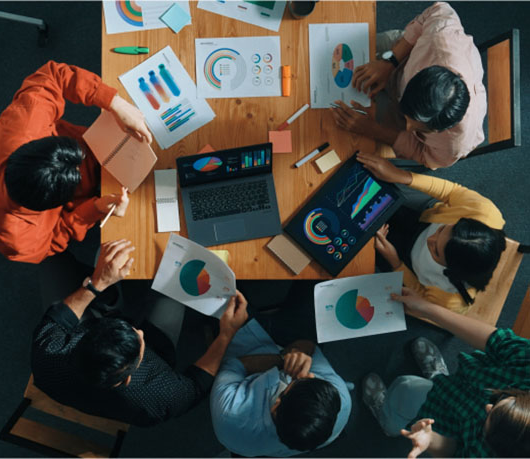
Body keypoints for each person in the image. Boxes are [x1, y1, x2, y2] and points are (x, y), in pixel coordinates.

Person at [31, 239, 248, 426]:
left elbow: (58, 318)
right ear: (127, 380)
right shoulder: (161, 399)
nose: (141, 333)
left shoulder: (47, 354)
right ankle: (111, 301)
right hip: (158, 348)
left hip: (81, 354)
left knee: (52, 258)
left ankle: (108, 299)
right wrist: (226, 334)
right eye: (139, 341)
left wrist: (97, 283)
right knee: (176, 289)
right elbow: (196, 385)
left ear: (82, 337)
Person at [0, 61, 152, 263]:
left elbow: (54, 75)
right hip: (85, 209)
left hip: (99, 142)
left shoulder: (26, 124)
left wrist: (115, 103)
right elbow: (52, 241)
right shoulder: (14, 238)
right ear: (47, 207)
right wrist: (93, 210)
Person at [362, 288, 530, 457]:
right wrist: (427, 309)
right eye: (500, 399)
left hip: (442, 419)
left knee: (405, 390)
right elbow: (495, 340)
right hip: (463, 385)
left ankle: (389, 421)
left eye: (490, 421)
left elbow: (455, 452)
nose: (487, 405)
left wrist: (431, 440)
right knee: (412, 387)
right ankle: (438, 377)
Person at [331, 2, 486, 168]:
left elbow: (423, 154)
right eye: (408, 118)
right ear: (419, 75)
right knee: (335, 46)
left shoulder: (455, 144)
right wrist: (390, 62)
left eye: (421, 131)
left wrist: (374, 129)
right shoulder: (441, 38)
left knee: (343, 138)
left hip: (395, 124)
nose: (407, 126)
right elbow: (438, 9)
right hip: (401, 54)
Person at [357, 153, 505, 313]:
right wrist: (401, 176)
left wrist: (394, 261)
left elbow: (419, 293)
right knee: (375, 180)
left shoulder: (451, 301)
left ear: (451, 270)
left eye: (435, 251)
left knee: (358, 247)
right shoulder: (485, 212)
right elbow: (452, 192)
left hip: (404, 259)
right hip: (425, 215)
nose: (431, 239)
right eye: (442, 229)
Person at [210, 319, 352, 457]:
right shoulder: (341, 398)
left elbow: (232, 365)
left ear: (276, 405)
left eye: (298, 380)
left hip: (246, 346)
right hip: (287, 342)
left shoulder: (229, 414)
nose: (310, 374)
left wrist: (283, 361)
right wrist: (300, 351)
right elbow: (310, 347)